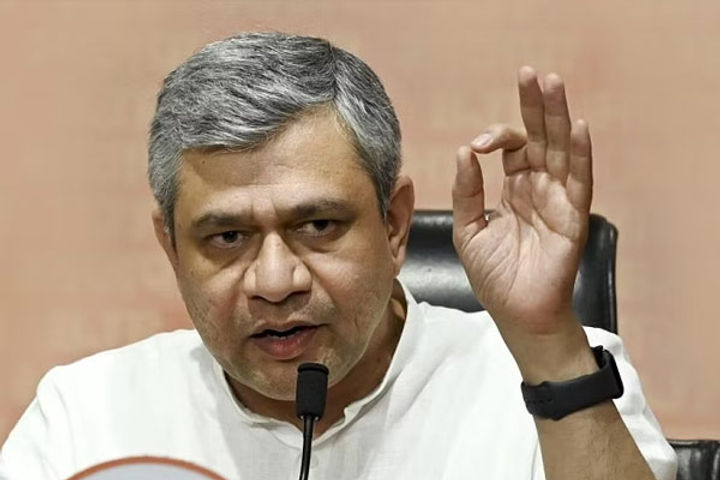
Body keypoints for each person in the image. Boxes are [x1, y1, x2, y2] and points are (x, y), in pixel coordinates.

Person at [0, 32, 676, 480]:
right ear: (171, 248)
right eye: (227, 238)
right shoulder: (86, 419)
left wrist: (547, 345)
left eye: (318, 225)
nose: (275, 283)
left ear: (394, 224)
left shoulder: (554, 373)